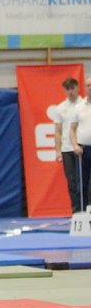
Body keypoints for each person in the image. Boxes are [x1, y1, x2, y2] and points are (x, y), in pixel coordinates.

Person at [55, 77, 86, 213]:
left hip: (83, 147)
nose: (70, 91)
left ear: (78, 88)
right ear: (65, 91)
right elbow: (57, 131)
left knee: (85, 181)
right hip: (67, 149)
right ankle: (76, 212)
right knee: (72, 182)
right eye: (68, 89)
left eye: (73, 88)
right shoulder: (60, 108)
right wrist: (57, 151)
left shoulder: (85, 104)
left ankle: (87, 209)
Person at [69, 77, 91, 213]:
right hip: (83, 150)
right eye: (88, 85)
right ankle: (82, 214)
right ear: (85, 88)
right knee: (81, 185)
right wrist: (75, 145)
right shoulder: (78, 107)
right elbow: (72, 129)